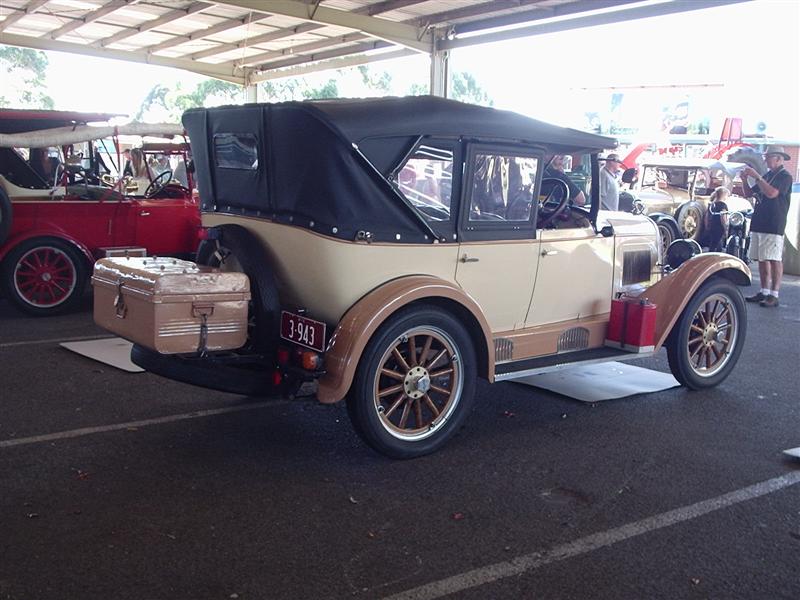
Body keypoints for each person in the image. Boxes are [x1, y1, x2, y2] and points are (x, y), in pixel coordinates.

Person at [740, 145, 793, 308]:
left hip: (774, 223)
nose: (766, 160)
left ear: (778, 158)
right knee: (762, 258)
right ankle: (764, 291)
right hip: (760, 221)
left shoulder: (785, 176)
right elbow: (749, 194)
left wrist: (756, 176)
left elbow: (772, 193)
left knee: (774, 258)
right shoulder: (768, 175)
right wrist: (744, 180)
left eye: (768, 157)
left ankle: (774, 294)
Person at [702, 186, 730, 252]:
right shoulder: (723, 205)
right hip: (719, 227)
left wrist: (707, 226)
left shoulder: (712, 204)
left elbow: (706, 216)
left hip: (711, 226)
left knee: (713, 243)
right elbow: (723, 218)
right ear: (724, 195)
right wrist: (726, 228)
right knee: (717, 244)